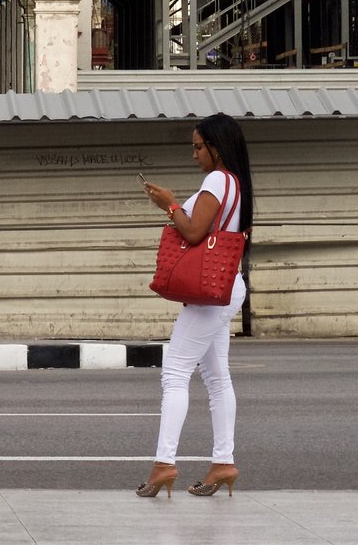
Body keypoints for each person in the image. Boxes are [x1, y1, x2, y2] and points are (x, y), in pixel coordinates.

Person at [136, 112, 254, 498]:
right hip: (228, 286)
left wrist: (170, 204)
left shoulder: (217, 180)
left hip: (210, 293)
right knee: (217, 378)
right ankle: (223, 462)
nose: (194, 154)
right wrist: (171, 205)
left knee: (175, 373)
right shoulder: (236, 182)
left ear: (216, 147)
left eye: (198, 147)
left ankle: (164, 464)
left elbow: (193, 231)